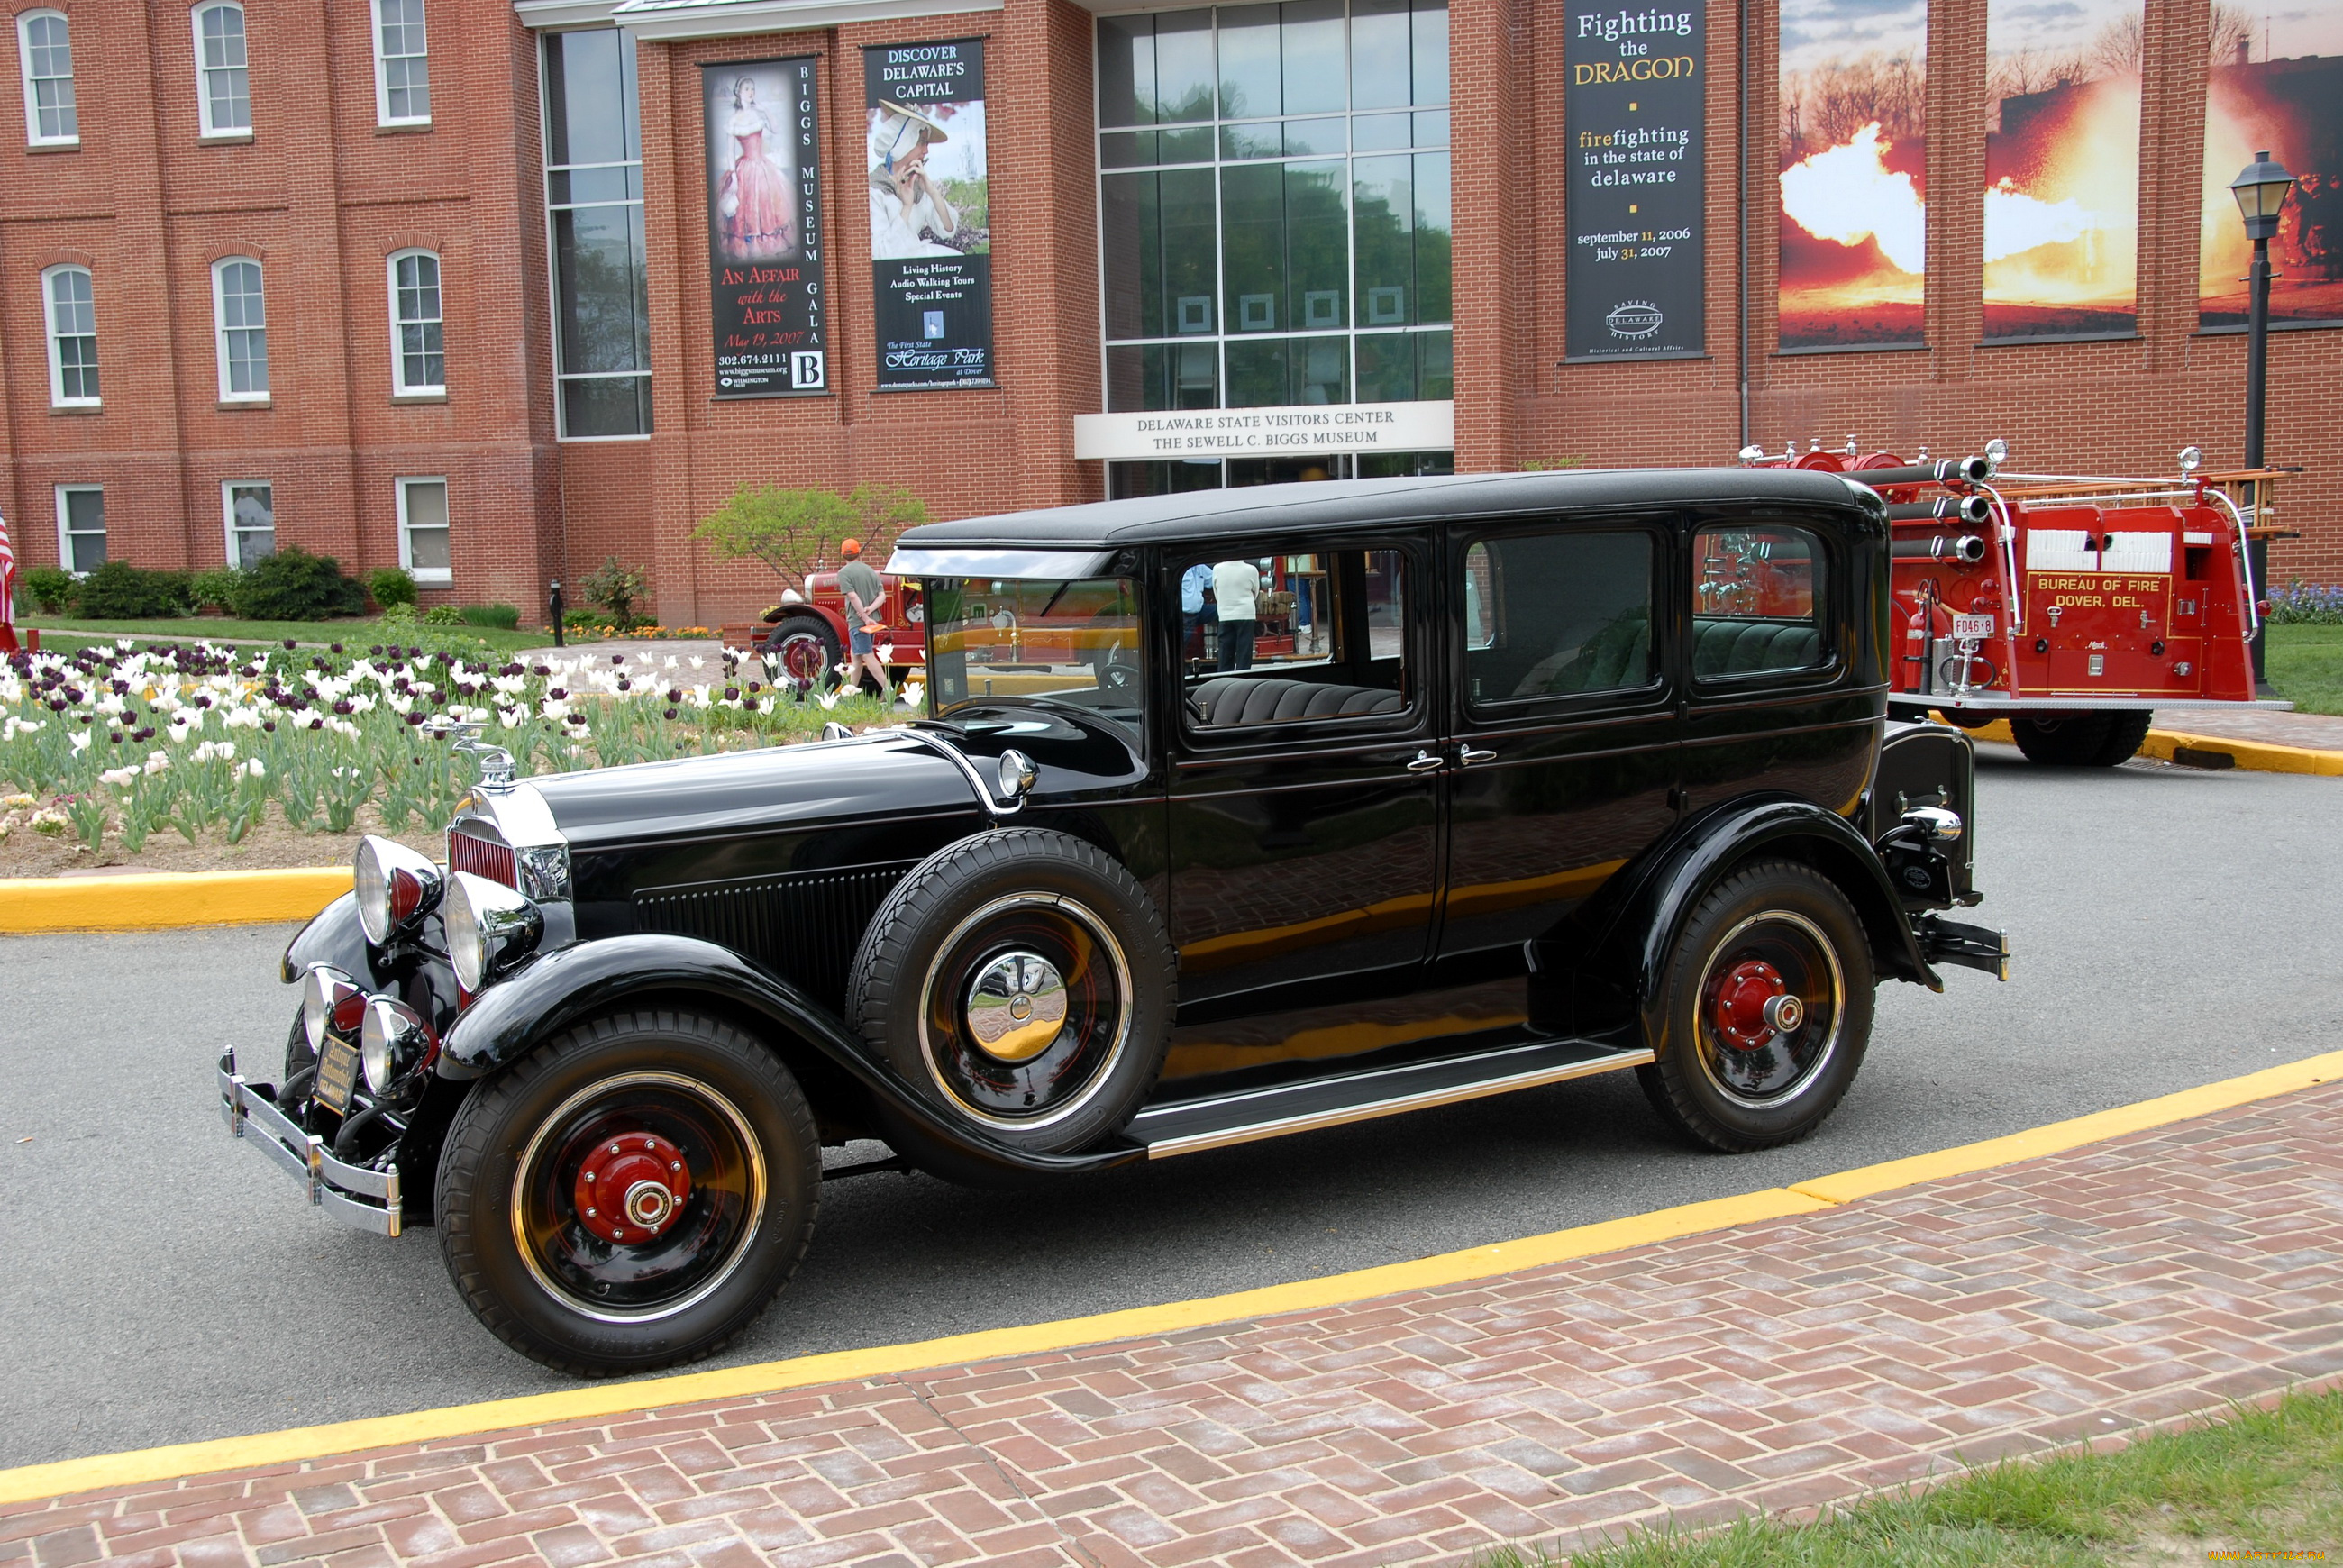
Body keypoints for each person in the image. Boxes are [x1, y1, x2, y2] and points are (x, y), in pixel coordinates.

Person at [716, 76, 794, 262]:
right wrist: (734, 177)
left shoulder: (758, 114)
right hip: (745, 168)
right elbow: (729, 152)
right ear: (738, 92)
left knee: (767, 206)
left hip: (763, 167)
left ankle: (765, 243)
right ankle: (749, 246)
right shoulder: (734, 120)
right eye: (747, 89)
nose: (750, 93)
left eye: (752, 89)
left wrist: (765, 110)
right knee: (746, 209)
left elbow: (775, 128)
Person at [835, 539, 891, 695]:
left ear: (842, 555)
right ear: (859, 552)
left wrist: (864, 617)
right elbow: (882, 595)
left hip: (857, 621)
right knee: (856, 654)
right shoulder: (870, 571)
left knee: (866, 654)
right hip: (872, 619)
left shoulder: (844, 573)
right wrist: (870, 610)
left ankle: (888, 689)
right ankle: (851, 692)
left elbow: (852, 597)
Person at [1211, 557, 1261, 672]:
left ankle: (1223, 682)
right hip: (1246, 613)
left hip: (1225, 613)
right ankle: (1243, 681)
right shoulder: (1251, 569)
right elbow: (1256, 591)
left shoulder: (1217, 569)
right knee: (1244, 653)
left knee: (1225, 653)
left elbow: (1216, 593)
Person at [1180, 561, 1214, 665]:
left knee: (1221, 610)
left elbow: (1214, 579)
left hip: (1199, 611)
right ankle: (1179, 670)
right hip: (1184, 615)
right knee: (1179, 648)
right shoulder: (1181, 568)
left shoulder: (1200, 567)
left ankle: (1223, 651)